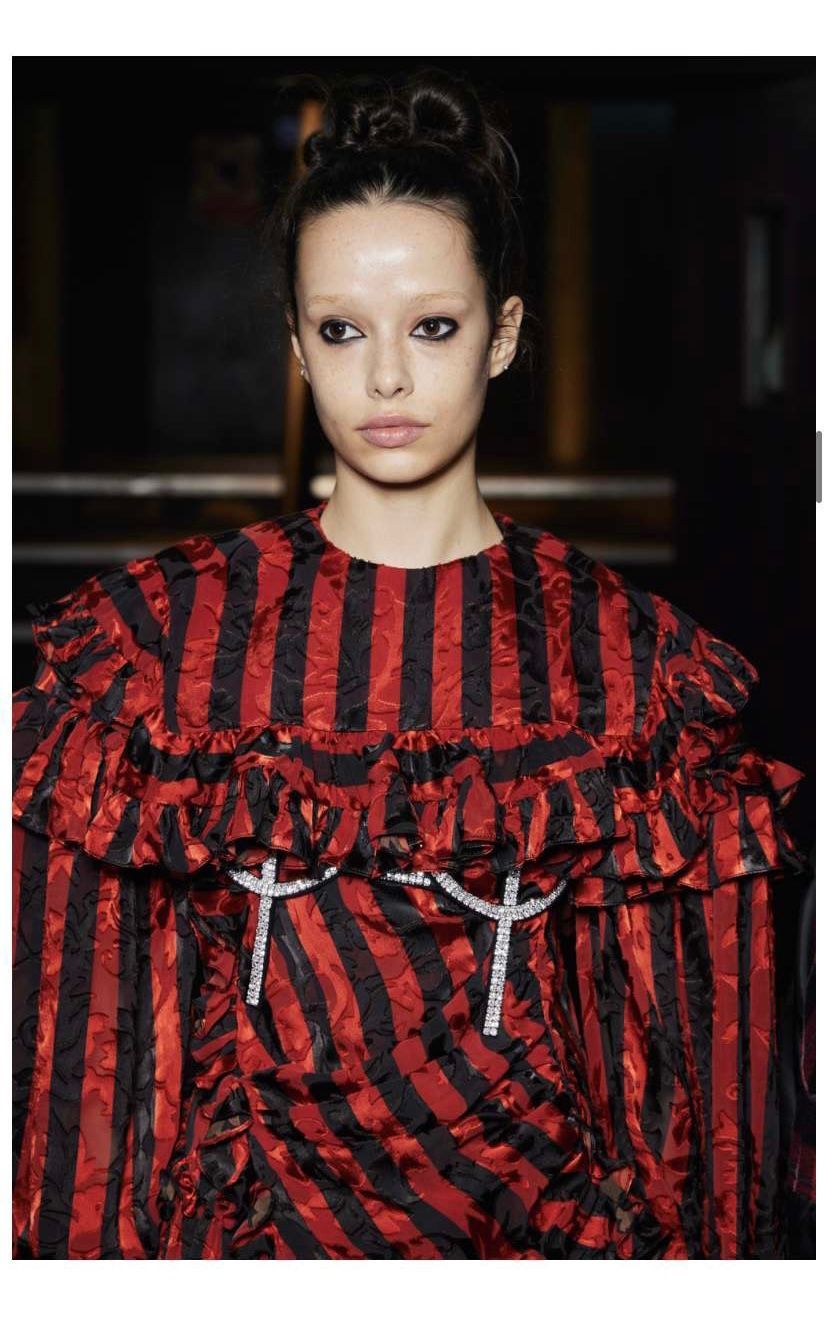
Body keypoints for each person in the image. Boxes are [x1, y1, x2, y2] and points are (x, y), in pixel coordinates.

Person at [11, 67, 809, 1260]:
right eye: (343, 329)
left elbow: (703, 1106)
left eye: (432, 325)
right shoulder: (154, 655)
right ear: (295, 345)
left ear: (505, 333)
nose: (385, 377)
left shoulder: (631, 676)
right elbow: (84, 1072)